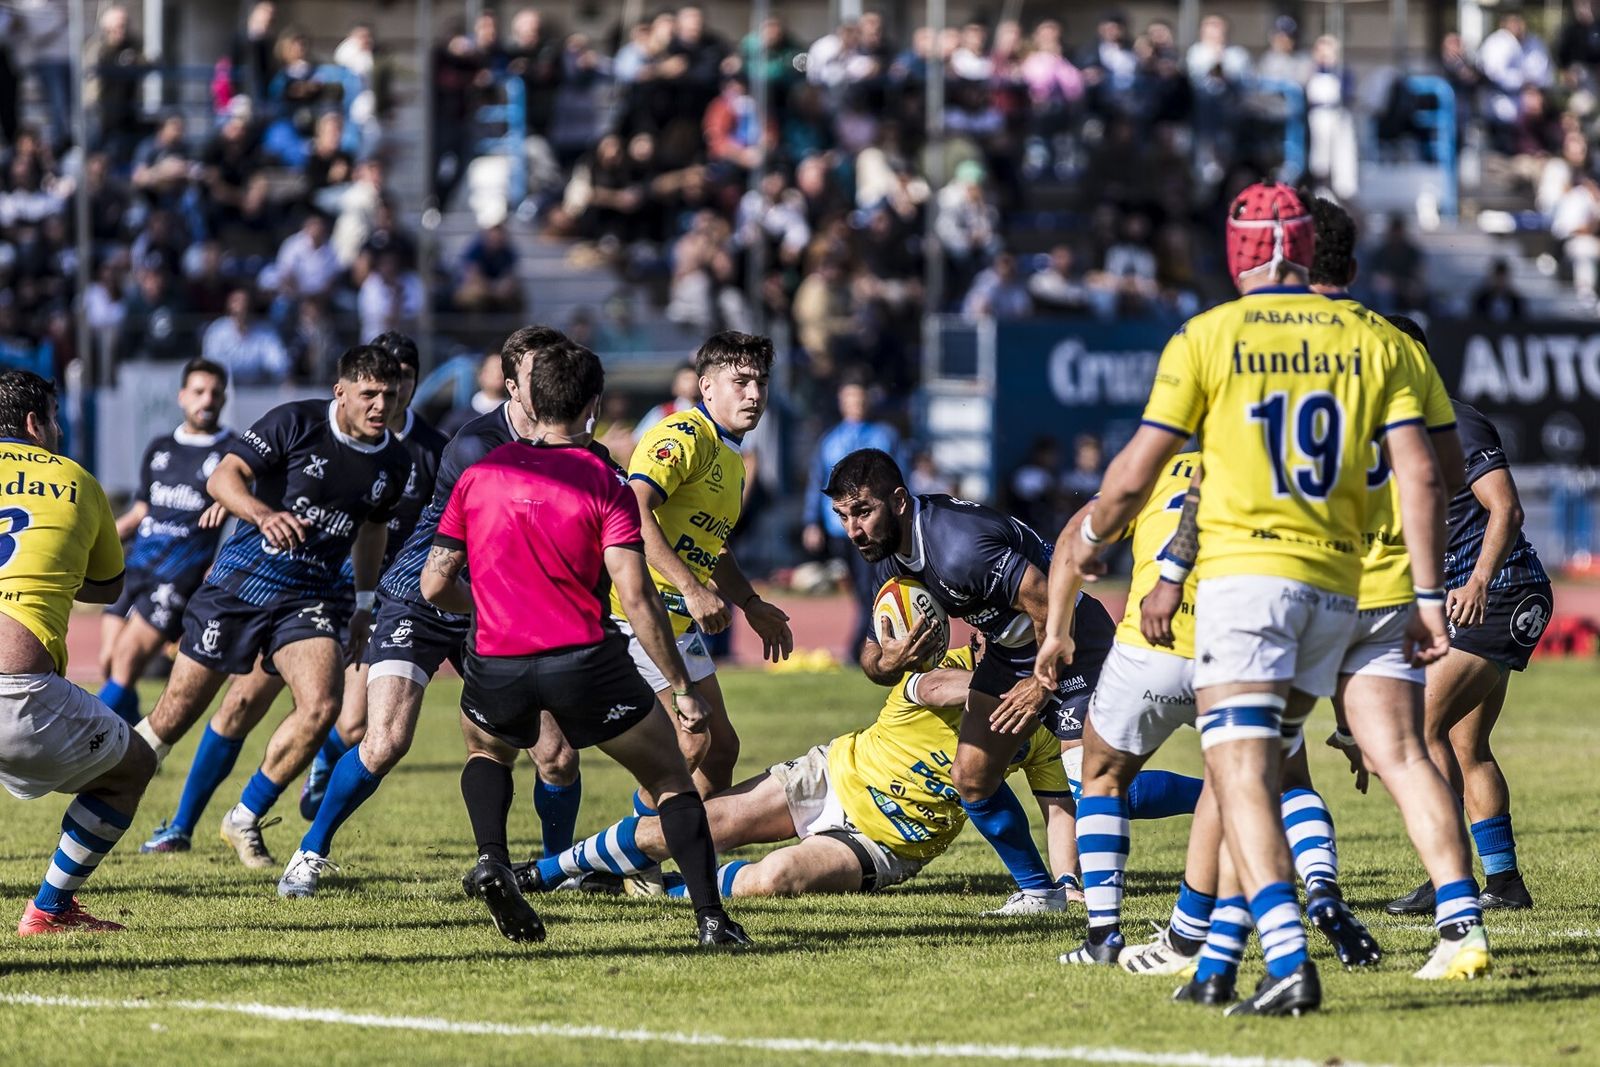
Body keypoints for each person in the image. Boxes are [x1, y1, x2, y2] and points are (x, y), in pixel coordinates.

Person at [1048, 182, 1462, 1016]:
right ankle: (1217, 959)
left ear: (1235, 252)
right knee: (1260, 770)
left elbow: (1137, 470)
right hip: (1339, 584)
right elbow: (1428, 473)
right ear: (1307, 248)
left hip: (1246, 584)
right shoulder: (1369, 335)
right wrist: (1426, 591)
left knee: (1234, 774)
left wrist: (1093, 537)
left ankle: (1284, 956)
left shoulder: (1208, 334)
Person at [420, 337, 750, 949]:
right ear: (592, 405)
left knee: (487, 751)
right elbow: (639, 596)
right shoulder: (606, 482)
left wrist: (490, 606)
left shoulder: (479, 476)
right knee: (673, 779)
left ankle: (493, 858)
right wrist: (682, 690)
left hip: (496, 660)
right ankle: (711, 919)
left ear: (527, 398)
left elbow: (434, 582)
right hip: (583, 660)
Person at [279, 326, 594, 898]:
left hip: (495, 607)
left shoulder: (571, 447)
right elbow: (454, 563)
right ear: (513, 382)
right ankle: (308, 853)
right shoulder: (476, 444)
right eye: (537, 372)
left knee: (557, 753)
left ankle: (557, 870)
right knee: (386, 739)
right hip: (424, 594)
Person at [131, 347, 414, 873]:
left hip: (312, 596)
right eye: (369, 394)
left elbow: (373, 528)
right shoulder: (296, 422)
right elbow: (222, 478)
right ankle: (116, 784)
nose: (381, 405)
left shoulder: (395, 461)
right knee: (174, 717)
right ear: (342, 391)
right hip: (241, 584)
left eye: (390, 395)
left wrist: (364, 603)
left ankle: (245, 815)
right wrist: (263, 513)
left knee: (321, 705)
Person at [520, 642, 1077, 901]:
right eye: (986, 640)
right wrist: (1011, 690)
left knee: (776, 878)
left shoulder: (1043, 734)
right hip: (831, 775)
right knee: (690, 825)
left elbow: (1058, 810)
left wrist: (1071, 884)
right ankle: (543, 874)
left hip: (888, 843)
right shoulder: (947, 666)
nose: (985, 646)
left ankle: (658, 891)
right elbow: (925, 686)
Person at [825, 448, 1115, 915]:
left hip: (1072, 634)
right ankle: (1042, 895)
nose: (853, 529)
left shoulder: (957, 545)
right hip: (1010, 648)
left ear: (898, 500)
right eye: (842, 515)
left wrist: (1042, 683)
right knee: (973, 778)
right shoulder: (884, 551)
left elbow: (1045, 598)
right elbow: (872, 654)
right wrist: (889, 661)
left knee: (1093, 779)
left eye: (863, 512)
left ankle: (1216, 802)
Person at [1382, 348, 1553, 917]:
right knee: (1464, 743)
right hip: (1474, 602)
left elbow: (1506, 508)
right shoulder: (1397, 434)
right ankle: (1504, 883)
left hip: (1500, 592)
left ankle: (1446, 873)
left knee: (1416, 730)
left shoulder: (1454, 419)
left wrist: (1478, 581)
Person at [0, 370, 154, 934]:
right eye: (57, 420)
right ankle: (49, 908)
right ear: (36, 424)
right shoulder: (74, 479)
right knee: (134, 766)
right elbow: (110, 586)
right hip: (16, 690)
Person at [616, 332, 794, 805]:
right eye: (740, 382)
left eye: (760, 382)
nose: (754, 394)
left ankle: (672, 850)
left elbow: (710, 545)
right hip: (632, 610)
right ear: (706, 386)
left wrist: (751, 603)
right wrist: (691, 588)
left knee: (721, 751)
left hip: (675, 617)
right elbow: (633, 511)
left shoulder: (732, 456)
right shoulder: (683, 436)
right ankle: (634, 855)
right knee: (690, 741)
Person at [298, 333, 449, 821]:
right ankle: (315, 768)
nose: (395, 390)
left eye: (405, 378)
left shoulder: (434, 449)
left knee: (358, 719)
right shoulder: (344, 437)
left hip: (402, 595)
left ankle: (322, 765)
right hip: (350, 583)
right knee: (348, 713)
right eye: (388, 379)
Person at [97, 359, 231, 727]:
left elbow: (245, 497)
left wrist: (229, 499)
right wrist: (96, 537)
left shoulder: (231, 453)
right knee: (109, 660)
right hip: (136, 566)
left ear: (224, 399)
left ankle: (84, 740)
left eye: (215, 394)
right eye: (199, 392)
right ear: (182, 396)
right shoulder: (160, 448)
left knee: (126, 661)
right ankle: (135, 743)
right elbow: (141, 511)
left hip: (176, 578)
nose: (207, 400)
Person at [801, 378, 903, 660]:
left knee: (871, 585)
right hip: (838, 528)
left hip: (875, 528)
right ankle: (873, 642)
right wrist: (811, 521)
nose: (856, 404)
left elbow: (900, 478)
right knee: (859, 588)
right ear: (842, 402)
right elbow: (817, 482)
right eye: (850, 399)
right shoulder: (831, 439)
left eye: (860, 399)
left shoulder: (885, 435)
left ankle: (859, 647)